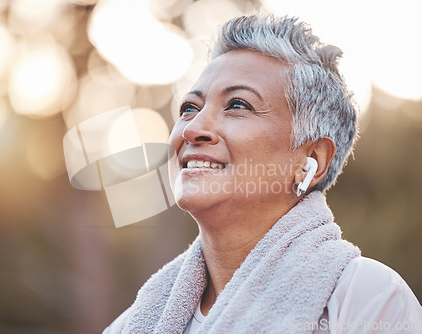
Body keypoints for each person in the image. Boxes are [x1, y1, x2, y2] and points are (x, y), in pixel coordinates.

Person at [104, 13, 422, 333]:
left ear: (311, 158)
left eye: (238, 105)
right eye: (189, 108)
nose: (194, 128)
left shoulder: (369, 300)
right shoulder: (132, 324)